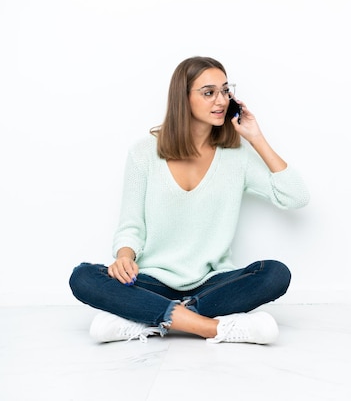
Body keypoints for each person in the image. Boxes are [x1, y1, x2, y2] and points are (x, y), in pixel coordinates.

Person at [69, 56, 309, 345]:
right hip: (151, 281)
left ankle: (150, 319)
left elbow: (296, 196)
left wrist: (256, 137)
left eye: (225, 90)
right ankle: (211, 327)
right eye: (209, 93)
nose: (220, 100)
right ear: (183, 98)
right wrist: (124, 257)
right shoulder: (144, 153)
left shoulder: (237, 156)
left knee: (275, 274)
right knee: (82, 276)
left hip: (211, 284)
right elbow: (131, 226)